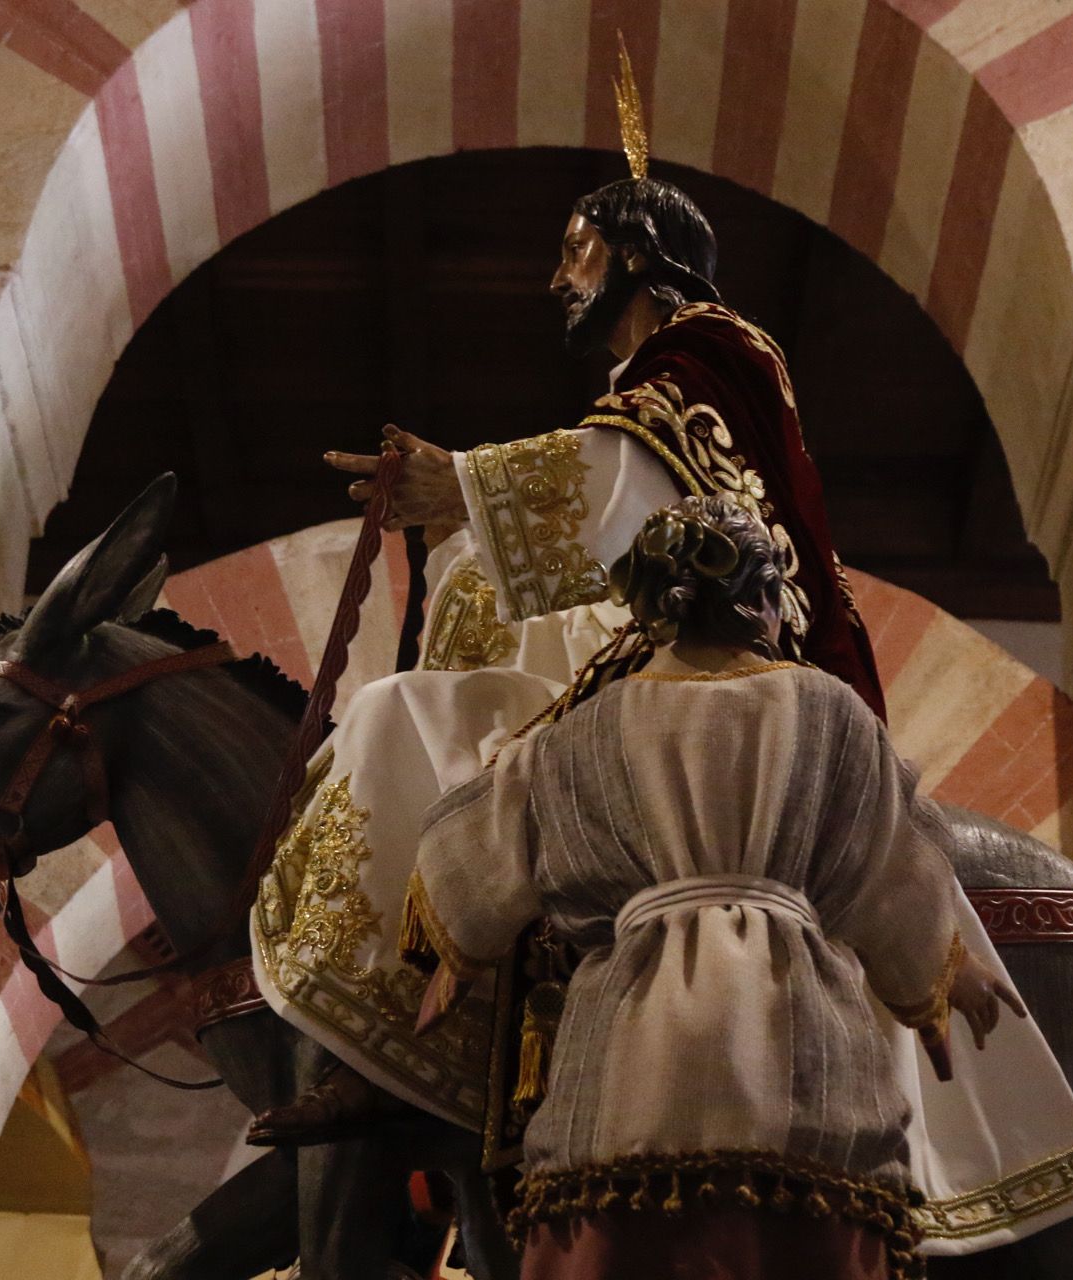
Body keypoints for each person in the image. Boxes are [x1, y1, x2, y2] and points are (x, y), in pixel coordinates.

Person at [249, 79, 881, 1149]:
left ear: (637, 251)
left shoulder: (712, 352)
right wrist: (466, 533)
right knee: (452, 677)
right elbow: (609, 508)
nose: (557, 276)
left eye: (577, 250)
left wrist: (465, 486)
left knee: (404, 715)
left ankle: (405, 1032)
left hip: (705, 666)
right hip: (644, 654)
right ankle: (441, 1029)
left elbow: (632, 494)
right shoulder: (661, 383)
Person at [403, 497, 1019, 1279]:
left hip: (633, 1059)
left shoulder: (581, 733)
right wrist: (931, 977)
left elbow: (485, 838)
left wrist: (460, 947)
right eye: (772, 587)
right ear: (750, 597)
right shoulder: (827, 709)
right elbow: (887, 854)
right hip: (796, 1049)